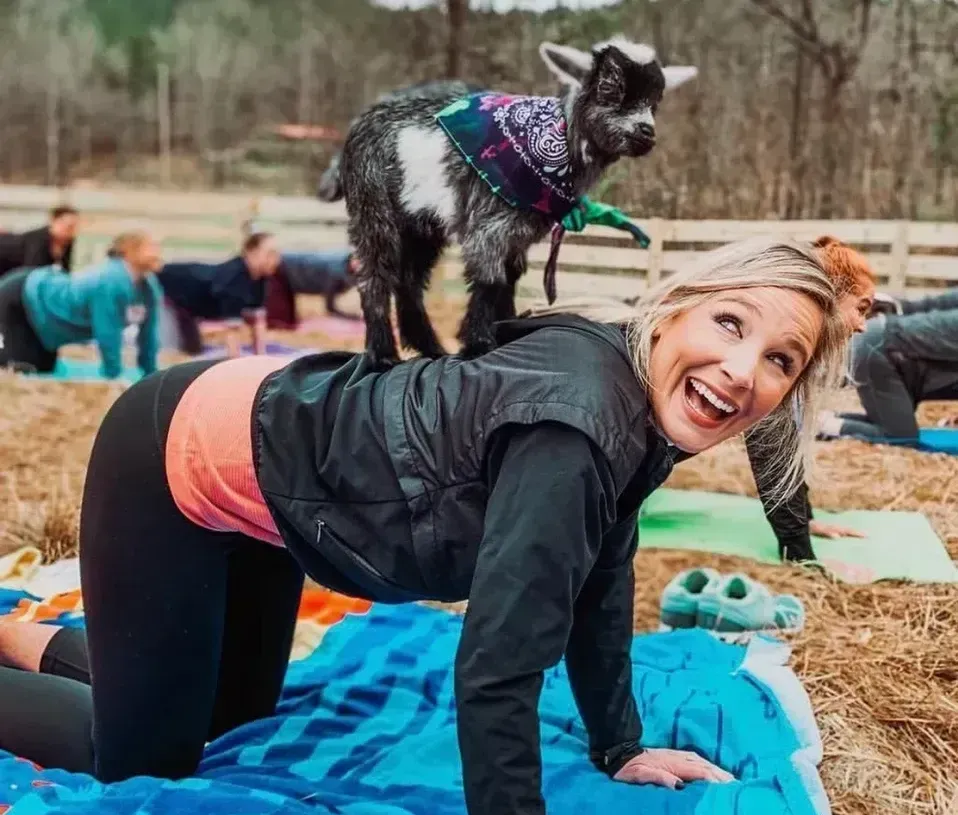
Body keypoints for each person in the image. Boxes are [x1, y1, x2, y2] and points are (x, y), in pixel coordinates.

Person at [0, 236, 848, 815]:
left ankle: (16, 635)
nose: (742, 370)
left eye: (780, 358)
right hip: (173, 455)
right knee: (137, 759)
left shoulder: (633, 407)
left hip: (278, 470)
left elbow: (604, 575)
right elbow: (496, 665)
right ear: (675, 311)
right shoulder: (579, 427)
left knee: (231, 718)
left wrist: (618, 744)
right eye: (731, 323)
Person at [746, 236, 877, 561]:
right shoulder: (775, 341)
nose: (862, 326)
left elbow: (786, 443)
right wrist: (799, 553)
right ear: (828, 296)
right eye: (860, 309)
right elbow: (771, 450)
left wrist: (807, 521)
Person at [0, 230, 163, 379]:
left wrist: (151, 376)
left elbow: (149, 335)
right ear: (128, 250)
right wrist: (114, 377)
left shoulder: (148, 287)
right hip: (20, 297)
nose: (158, 253)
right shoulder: (109, 280)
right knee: (21, 368)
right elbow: (107, 332)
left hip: (43, 316)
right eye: (151, 247)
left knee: (44, 369)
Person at [817, 286, 958, 445]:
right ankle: (820, 425)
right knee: (900, 436)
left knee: (894, 424)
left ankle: (828, 419)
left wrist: (901, 307)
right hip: (879, 352)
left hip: (897, 358)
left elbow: (940, 303)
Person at [156, 232, 281, 355]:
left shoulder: (260, 281)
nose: (275, 260)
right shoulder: (234, 279)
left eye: (276, 255)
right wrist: (237, 365)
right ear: (251, 253)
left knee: (193, 349)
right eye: (270, 254)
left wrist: (261, 359)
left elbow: (258, 322)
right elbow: (232, 334)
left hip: (192, 304)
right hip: (173, 289)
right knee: (174, 351)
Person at [264, 249, 361, 329]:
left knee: (286, 320)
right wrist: (350, 317)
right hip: (284, 270)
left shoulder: (346, 267)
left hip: (290, 270)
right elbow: (329, 307)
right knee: (281, 321)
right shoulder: (335, 272)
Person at [0, 206, 79, 277]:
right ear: (53, 221)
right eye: (68, 226)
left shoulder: (66, 243)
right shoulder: (37, 239)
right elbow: (32, 271)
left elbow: (65, 270)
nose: (71, 231)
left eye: (74, 227)